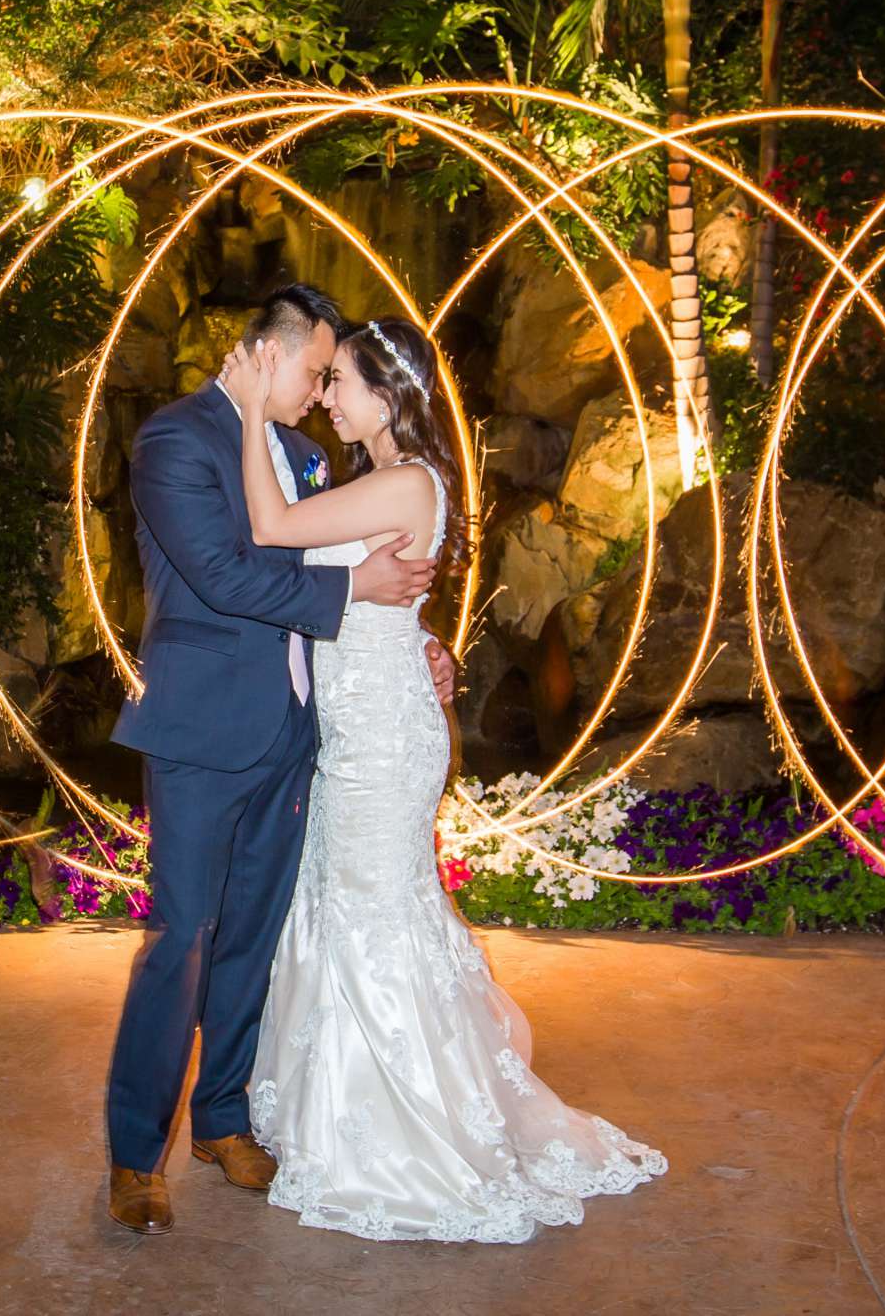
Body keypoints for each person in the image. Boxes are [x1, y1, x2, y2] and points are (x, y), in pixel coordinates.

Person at [220, 313, 667, 1243]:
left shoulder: (402, 481)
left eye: (341, 379)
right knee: (357, 908)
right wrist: (428, 639)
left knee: (375, 915)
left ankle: (407, 1129)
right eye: (327, 378)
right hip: (361, 730)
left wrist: (252, 411)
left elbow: (270, 526)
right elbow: (360, 600)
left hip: (381, 743)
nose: (329, 394)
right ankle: (343, 1108)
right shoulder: (387, 481)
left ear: (386, 396)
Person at [103, 283, 456, 1236]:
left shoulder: (302, 456)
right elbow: (223, 573)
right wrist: (357, 596)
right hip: (201, 733)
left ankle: (224, 1118)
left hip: (298, 733)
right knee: (181, 939)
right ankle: (137, 1155)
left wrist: (416, 636)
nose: (319, 395)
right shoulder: (176, 439)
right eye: (313, 372)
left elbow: (344, 560)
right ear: (267, 353)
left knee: (255, 936)